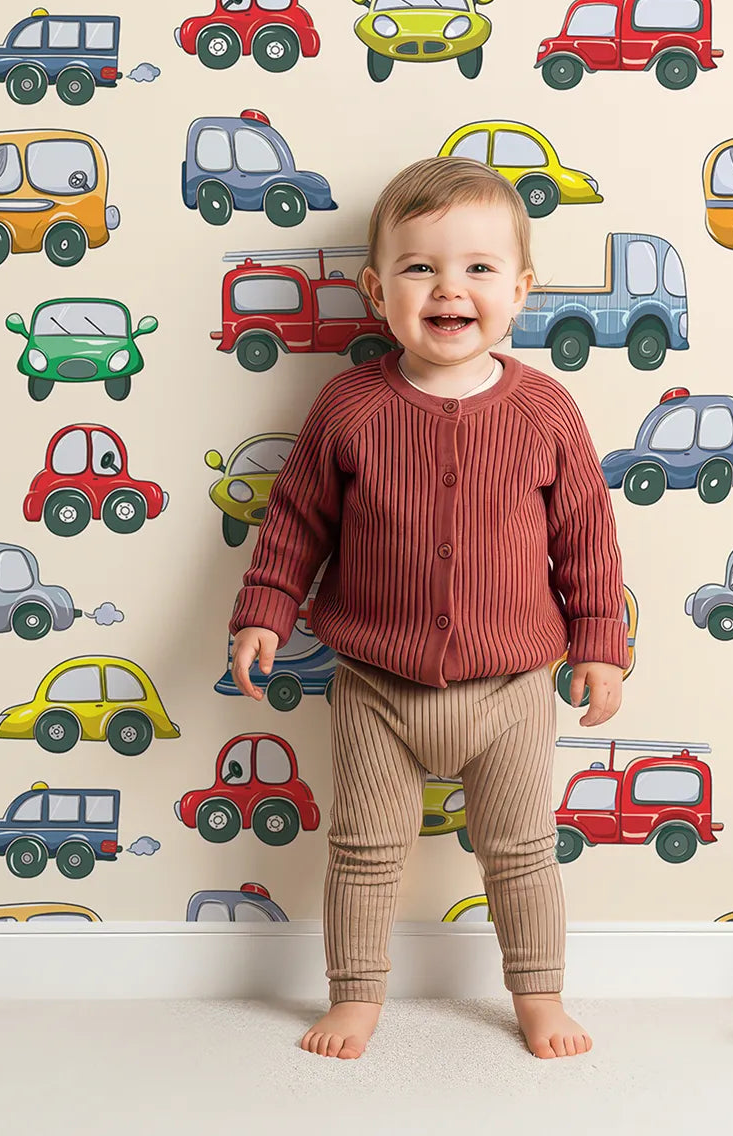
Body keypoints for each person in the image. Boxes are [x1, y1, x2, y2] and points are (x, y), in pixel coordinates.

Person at [227, 156, 629, 1061]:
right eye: (421, 269)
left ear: (521, 290)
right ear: (377, 290)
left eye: (479, 269)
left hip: (514, 685)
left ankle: (538, 996)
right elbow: (294, 522)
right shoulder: (350, 408)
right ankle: (357, 996)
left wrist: (600, 644)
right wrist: (264, 610)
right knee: (364, 854)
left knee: (523, 853)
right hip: (375, 682)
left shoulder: (545, 412)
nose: (450, 288)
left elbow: (588, 542)